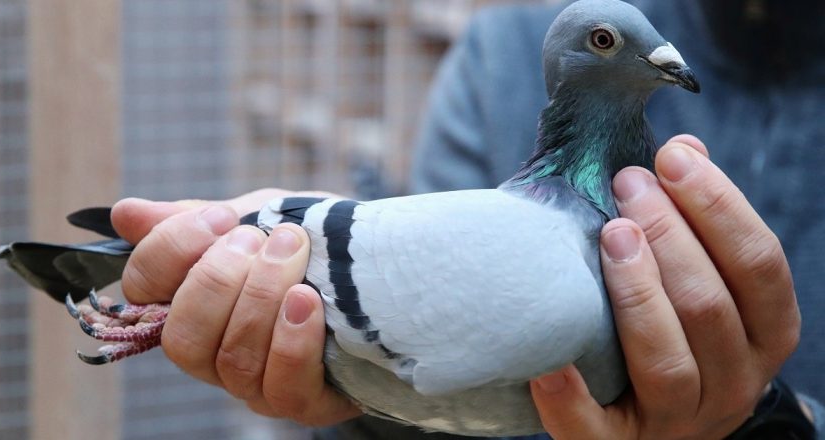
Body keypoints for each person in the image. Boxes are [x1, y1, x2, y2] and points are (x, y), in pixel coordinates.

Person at [109, 0, 824, 438]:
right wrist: (356, 422)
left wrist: (770, 429)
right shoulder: (495, 58)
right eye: (608, 43)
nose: (661, 60)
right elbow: (431, 377)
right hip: (319, 280)